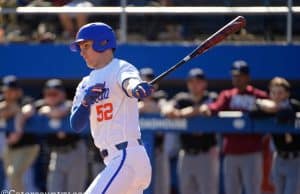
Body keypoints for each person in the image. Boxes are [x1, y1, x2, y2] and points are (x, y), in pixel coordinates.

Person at [69, 22, 153, 194]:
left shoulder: (120, 67)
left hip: (127, 156)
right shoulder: (85, 83)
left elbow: (129, 81)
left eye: (86, 46)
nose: (82, 52)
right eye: (80, 48)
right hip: (114, 160)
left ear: (103, 43)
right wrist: (86, 103)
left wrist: (136, 88)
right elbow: (76, 125)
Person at [199, 60, 268, 194]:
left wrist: (262, 108)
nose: (236, 79)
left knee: (253, 190)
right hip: (231, 151)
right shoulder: (227, 95)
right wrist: (205, 109)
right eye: (234, 75)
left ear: (247, 77)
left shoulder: (258, 95)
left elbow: (271, 110)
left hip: (252, 151)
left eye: (240, 76)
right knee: (231, 190)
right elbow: (215, 108)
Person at [164, 68, 219, 194]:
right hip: (186, 154)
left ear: (204, 83)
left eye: (198, 81)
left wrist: (185, 113)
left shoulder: (211, 97)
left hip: (206, 154)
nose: (194, 85)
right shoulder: (182, 98)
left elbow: (209, 107)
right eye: (191, 82)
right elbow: (167, 109)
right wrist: (173, 111)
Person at [34, 79, 88, 192]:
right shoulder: (41, 105)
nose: (51, 97)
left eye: (55, 94)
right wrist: (45, 109)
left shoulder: (70, 104)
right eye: (48, 94)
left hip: (75, 152)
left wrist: (48, 112)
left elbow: (60, 111)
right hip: (56, 154)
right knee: (54, 189)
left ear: (62, 94)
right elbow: (27, 110)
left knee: (74, 190)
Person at [256, 77, 300, 194]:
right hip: (278, 158)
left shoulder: (294, 105)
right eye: (273, 92)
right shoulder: (268, 107)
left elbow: (286, 114)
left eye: (280, 93)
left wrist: (275, 108)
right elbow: (253, 113)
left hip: (295, 158)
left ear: (287, 93)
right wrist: (261, 104)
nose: (276, 96)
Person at [0, 75, 40, 191]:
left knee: (16, 176)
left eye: (11, 91)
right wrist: (11, 110)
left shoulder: (25, 100)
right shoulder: (4, 102)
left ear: (18, 91)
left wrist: (18, 117)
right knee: (12, 180)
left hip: (28, 147)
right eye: (6, 90)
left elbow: (28, 110)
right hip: (10, 148)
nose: (7, 93)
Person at [138, 67, 170, 194]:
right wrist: (140, 107)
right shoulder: (131, 101)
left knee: (161, 189)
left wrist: (154, 107)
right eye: (143, 82)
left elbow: (167, 108)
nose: (147, 87)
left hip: (157, 152)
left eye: (150, 82)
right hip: (136, 154)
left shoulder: (161, 99)